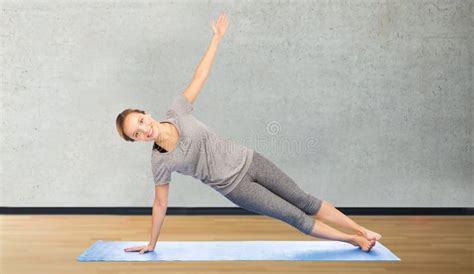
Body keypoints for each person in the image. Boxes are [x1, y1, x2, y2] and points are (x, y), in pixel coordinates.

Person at [116, 13, 382, 255]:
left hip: (251, 160)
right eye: (136, 133)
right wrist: (152, 243)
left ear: (146, 112)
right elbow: (159, 204)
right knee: (294, 216)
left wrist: (217, 39)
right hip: (236, 187)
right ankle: (353, 240)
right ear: (136, 140)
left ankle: (361, 230)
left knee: (304, 199)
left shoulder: (177, 111)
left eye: (140, 120)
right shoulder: (159, 161)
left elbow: (200, 77)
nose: (143, 129)